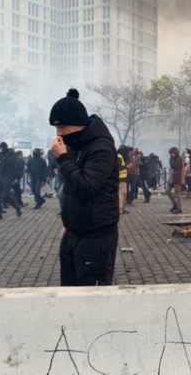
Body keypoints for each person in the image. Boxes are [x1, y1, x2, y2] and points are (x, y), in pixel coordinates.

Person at [49, 88, 119, 286]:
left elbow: (86, 187)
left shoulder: (101, 148)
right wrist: (68, 223)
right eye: (56, 129)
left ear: (78, 125)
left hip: (96, 237)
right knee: (70, 293)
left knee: (91, 298)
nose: (59, 134)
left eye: (62, 128)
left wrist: (62, 157)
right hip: (74, 233)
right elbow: (70, 188)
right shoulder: (76, 145)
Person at [0, 142, 22, 220]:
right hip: (0, 174)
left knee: (6, 195)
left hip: (8, 175)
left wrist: (6, 154)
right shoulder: (0, 153)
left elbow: (12, 163)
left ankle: (17, 207)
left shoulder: (10, 153)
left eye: (2, 147)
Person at [166, 146, 184, 214]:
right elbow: (172, 165)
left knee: (177, 193)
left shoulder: (179, 159)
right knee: (167, 191)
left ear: (175, 152)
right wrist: (171, 160)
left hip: (177, 178)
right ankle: (175, 205)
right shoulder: (171, 159)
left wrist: (172, 160)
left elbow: (174, 166)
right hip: (171, 177)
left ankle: (179, 208)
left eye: (172, 153)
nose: (171, 154)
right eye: (170, 153)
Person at [117, 145, 129, 214]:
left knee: (124, 194)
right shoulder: (118, 156)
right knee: (121, 195)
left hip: (123, 179)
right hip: (120, 179)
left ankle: (123, 209)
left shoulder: (121, 157)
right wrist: (126, 167)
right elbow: (118, 167)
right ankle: (120, 209)